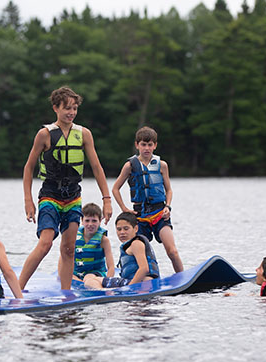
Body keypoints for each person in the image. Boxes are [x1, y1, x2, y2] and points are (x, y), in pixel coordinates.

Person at [20, 86, 113, 290]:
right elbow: (28, 167)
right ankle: (18, 288)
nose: (71, 112)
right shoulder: (44, 135)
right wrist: (28, 201)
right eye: (67, 108)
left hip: (73, 197)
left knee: (69, 248)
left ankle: (65, 293)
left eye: (75, 108)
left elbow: (97, 168)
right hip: (50, 195)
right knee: (45, 244)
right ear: (56, 108)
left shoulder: (84, 134)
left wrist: (107, 199)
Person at [112, 126, 184, 273]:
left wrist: (168, 207)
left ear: (155, 145)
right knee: (139, 253)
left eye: (150, 144)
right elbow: (115, 189)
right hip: (140, 216)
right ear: (137, 145)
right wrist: (124, 209)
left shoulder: (162, 165)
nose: (146, 148)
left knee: (172, 251)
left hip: (159, 213)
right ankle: (138, 278)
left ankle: (183, 278)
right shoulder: (129, 166)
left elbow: (169, 190)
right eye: (143, 144)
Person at [84, 212, 160, 289]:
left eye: (126, 229)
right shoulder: (133, 244)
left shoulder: (136, 244)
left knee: (90, 281)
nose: (122, 232)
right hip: (141, 282)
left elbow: (144, 269)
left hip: (140, 283)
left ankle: (104, 293)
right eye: (119, 229)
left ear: (136, 228)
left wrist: (128, 288)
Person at [57, 202, 115, 282]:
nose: (90, 224)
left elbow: (111, 266)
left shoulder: (103, 240)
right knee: (69, 276)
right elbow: (63, 258)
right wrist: (61, 276)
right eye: (87, 220)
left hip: (95, 274)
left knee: (88, 278)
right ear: (82, 220)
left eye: (94, 221)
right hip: (77, 274)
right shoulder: (74, 236)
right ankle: (81, 283)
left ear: (100, 221)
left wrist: (107, 282)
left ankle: (96, 287)